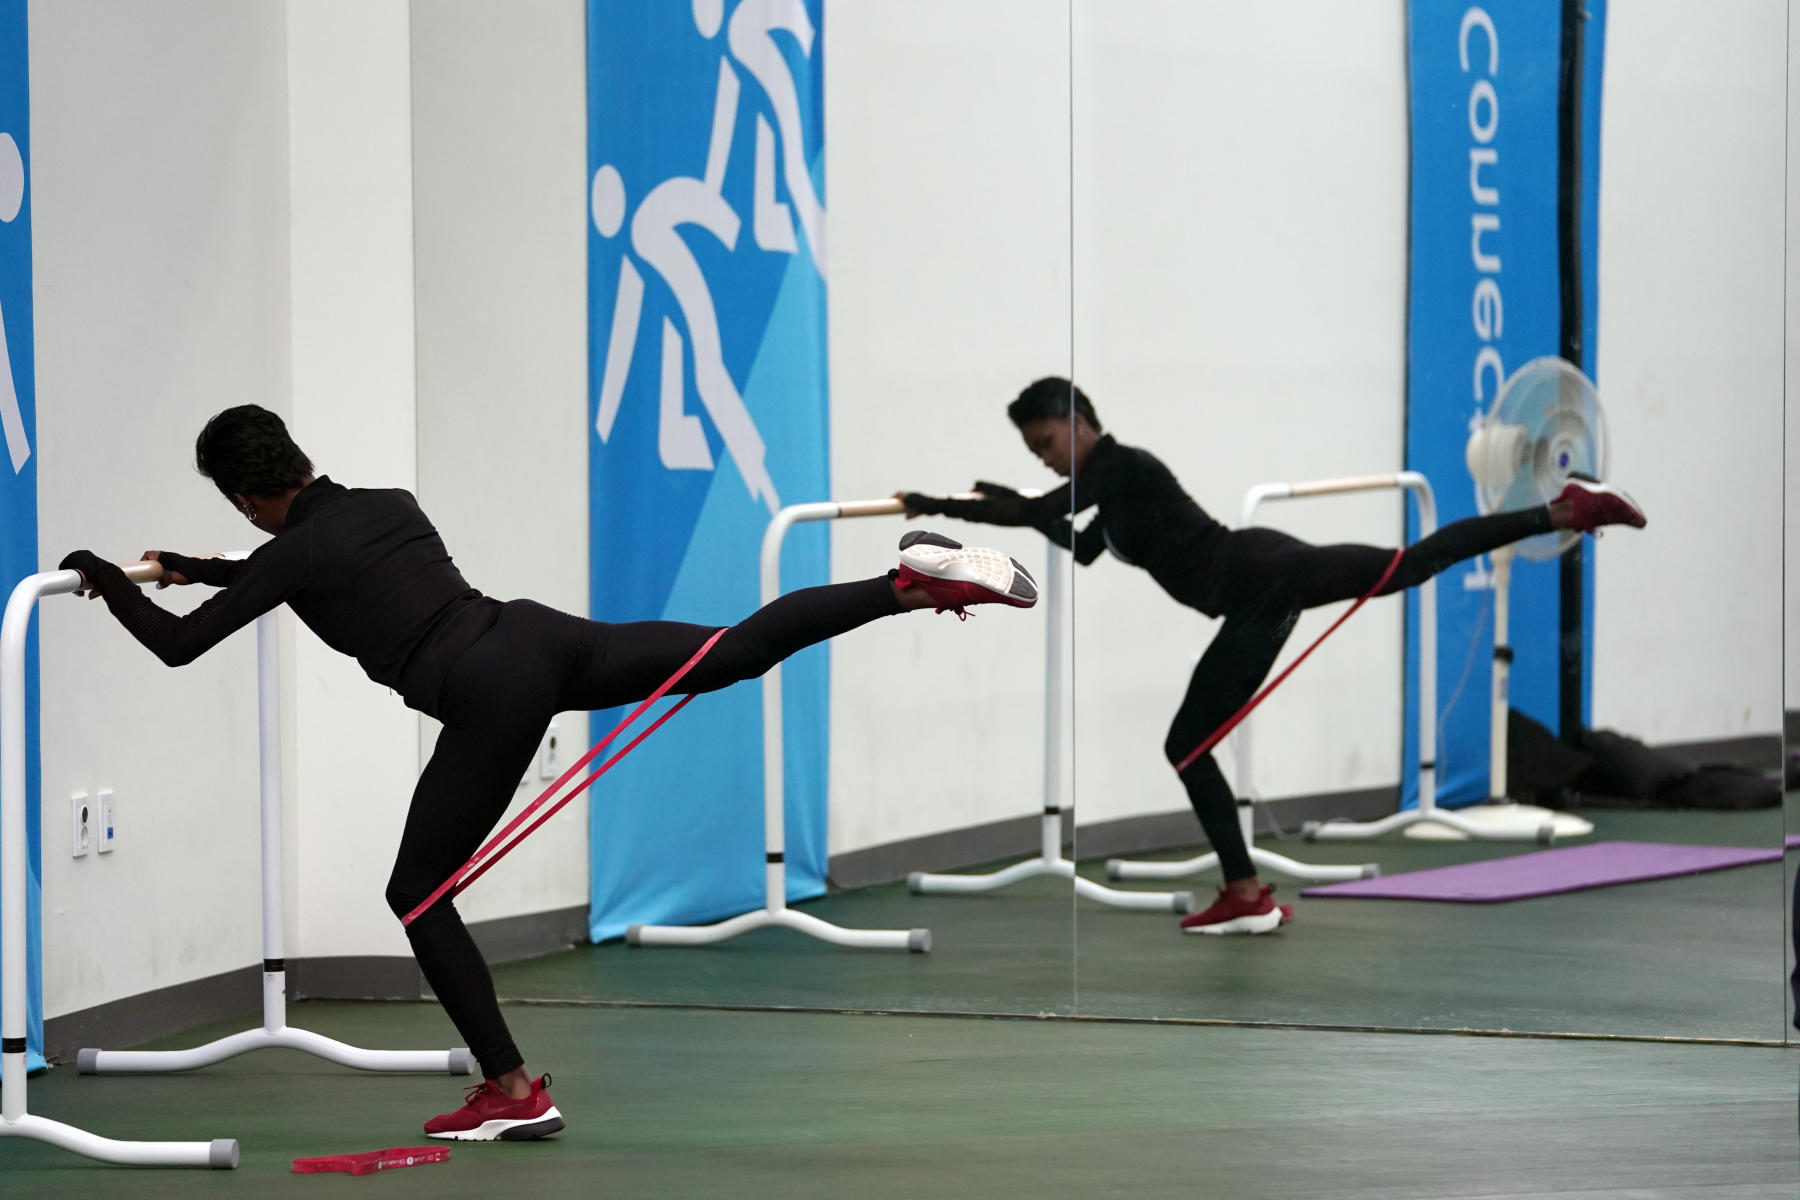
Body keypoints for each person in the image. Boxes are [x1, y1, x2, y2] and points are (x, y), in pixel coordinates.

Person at [58, 404, 1038, 1140]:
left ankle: (513, 1090)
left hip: (486, 691)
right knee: (733, 651)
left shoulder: (293, 550)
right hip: (538, 638)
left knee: (415, 894)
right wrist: (205, 564)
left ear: (243, 496)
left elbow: (182, 648)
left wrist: (107, 583)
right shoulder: (381, 506)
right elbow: (313, 569)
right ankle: (904, 584)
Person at [898, 377, 1646, 935]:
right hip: (1254, 594)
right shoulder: (1104, 497)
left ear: (1081, 420)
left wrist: (941, 504)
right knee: (1189, 745)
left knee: (1407, 568)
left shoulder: (1123, 467)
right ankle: (1246, 894)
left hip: (1261, 577)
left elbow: (1039, 511)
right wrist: (1011, 504)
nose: (1047, 459)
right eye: (1035, 452)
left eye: (1048, 444)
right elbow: (1077, 542)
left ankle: (1563, 508)